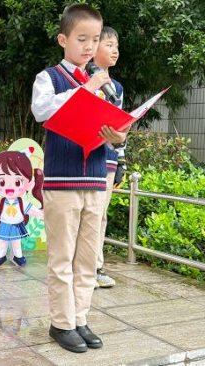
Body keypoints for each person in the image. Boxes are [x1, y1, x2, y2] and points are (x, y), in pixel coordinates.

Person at [30, 4, 128, 353]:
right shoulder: (50, 78)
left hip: (97, 180)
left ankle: (80, 318)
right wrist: (86, 88)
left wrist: (119, 138)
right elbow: (42, 110)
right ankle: (61, 323)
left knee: (88, 258)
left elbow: (116, 128)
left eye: (95, 39)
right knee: (62, 259)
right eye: (82, 38)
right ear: (63, 39)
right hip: (61, 183)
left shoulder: (105, 83)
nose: (89, 46)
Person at [93, 26, 126, 289]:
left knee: (100, 214)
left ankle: (96, 266)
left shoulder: (117, 88)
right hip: (85, 157)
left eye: (116, 45)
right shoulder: (83, 81)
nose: (114, 50)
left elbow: (121, 127)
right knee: (86, 214)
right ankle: (81, 267)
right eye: (109, 44)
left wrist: (122, 160)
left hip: (109, 159)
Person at [0, 151, 44, 267]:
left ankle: (18, 257)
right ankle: (0, 256)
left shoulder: (22, 203)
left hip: (17, 225)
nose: (9, 187)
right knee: (2, 242)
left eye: (17, 182)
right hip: (5, 225)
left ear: (29, 184)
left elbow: (31, 211)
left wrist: (39, 214)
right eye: (2, 182)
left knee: (16, 242)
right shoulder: (1, 202)